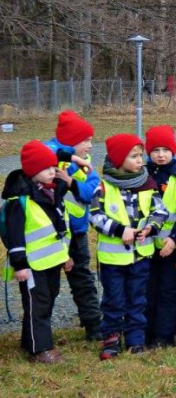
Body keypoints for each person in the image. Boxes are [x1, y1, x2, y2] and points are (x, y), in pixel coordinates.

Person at [90, 134, 168, 360]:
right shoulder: (103, 188)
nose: (140, 161)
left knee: (137, 298)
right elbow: (95, 216)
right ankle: (111, 339)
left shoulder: (147, 185)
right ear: (117, 159)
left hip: (140, 256)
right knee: (114, 299)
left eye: (140, 156)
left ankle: (135, 339)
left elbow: (160, 211)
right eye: (133, 156)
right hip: (113, 259)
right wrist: (118, 230)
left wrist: (151, 228)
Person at [2, 141, 72, 363]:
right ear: (32, 171)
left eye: (53, 167)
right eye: (46, 168)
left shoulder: (52, 193)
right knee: (37, 304)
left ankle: (30, 340)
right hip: (32, 265)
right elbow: (15, 237)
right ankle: (40, 350)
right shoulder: (19, 202)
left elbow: (59, 227)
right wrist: (20, 264)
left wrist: (65, 256)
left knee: (48, 299)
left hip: (51, 261)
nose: (53, 171)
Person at [44, 110, 102, 341]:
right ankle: (40, 330)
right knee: (48, 285)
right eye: (85, 140)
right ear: (69, 141)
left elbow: (93, 191)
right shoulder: (49, 153)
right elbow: (43, 150)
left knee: (83, 280)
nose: (89, 145)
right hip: (50, 234)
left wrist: (71, 182)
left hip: (76, 234)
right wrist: (71, 157)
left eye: (90, 140)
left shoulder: (86, 164)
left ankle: (93, 325)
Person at [144, 126, 176, 348]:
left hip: (172, 247)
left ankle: (165, 336)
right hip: (146, 247)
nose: (161, 154)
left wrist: (175, 238)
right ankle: (146, 332)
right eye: (155, 150)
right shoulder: (142, 175)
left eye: (166, 149)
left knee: (169, 291)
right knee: (147, 289)